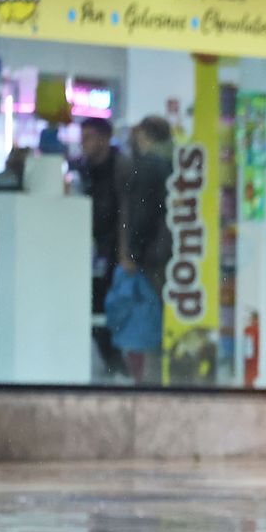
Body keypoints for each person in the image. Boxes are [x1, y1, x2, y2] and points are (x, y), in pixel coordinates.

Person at [114, 116, 175, 383]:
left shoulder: (147, 166)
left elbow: (140, 214)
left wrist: (132, 253)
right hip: (169, 254)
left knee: (145, 316)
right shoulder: (176, 163)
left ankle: (149, 381)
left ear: (145, 135)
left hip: (151, 257)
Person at [75, 118, 132, 378]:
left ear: (103, 138)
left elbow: (125, 213)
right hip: (94, 250)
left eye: (88, 137)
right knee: (96, 309)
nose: (83, 143)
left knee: (110, 309)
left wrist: (124, 252)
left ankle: (117, 366)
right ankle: (113, 366)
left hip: (113, 252)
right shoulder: (84, 169)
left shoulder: (121, 168)